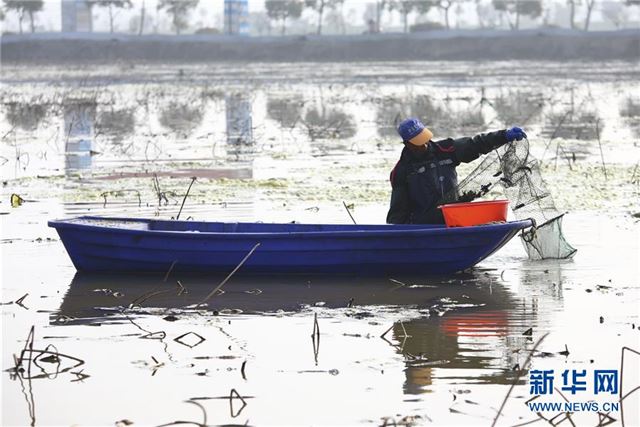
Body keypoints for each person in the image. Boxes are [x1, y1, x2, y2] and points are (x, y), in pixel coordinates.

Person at [386, 118, 527, 224]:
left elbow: (476, 144)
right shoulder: (401, 171)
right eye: (418, 142)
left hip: (454, 219)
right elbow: (398, 212)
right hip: (425, 225)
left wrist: (503, 136)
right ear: (407, 144)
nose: (424, 144)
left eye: (425, 139)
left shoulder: (446, 150)